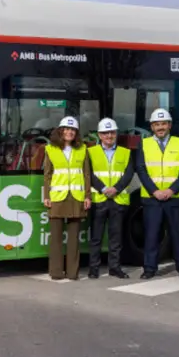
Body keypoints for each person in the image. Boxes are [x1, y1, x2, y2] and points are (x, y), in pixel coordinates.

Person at [135, 108, 179, 280]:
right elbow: (141, 169)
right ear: (152, 127)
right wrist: (155, 191)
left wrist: (170, 190)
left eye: (163, 124)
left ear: (169, 125)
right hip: (152, 199)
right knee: (151, 236)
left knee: (178, 235)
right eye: (157, 124)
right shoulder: (144, 144)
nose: (160, 127)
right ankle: (149, 269)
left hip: (175, 198)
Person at [42, 116, 92, 280]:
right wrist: (46, 196)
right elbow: (47, 175)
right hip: (57, 197)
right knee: (55, 238)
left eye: (72, 130)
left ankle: (72, 272)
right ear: (60, 131)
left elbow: (86, 174)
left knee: (73, 239)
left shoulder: (82, 149)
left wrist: (87, 196)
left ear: (76, 133)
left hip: (76, 197)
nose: (69, 132)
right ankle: (56, 272)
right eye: (66, 129)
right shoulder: (50, 149)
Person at [86, 118, 133, 279]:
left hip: (118, 200)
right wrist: (104, 188)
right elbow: (89, 174)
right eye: (105, 133)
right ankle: (94, 268)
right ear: (99, 135)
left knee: (116, 237)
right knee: (96, 237)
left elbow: (128, 174)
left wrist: (116, 189)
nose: (109, 136)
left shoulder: (125, 152)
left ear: (116, 134)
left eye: (112, 132)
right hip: (99, 199)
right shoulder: (90, 152)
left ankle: (115, 267)